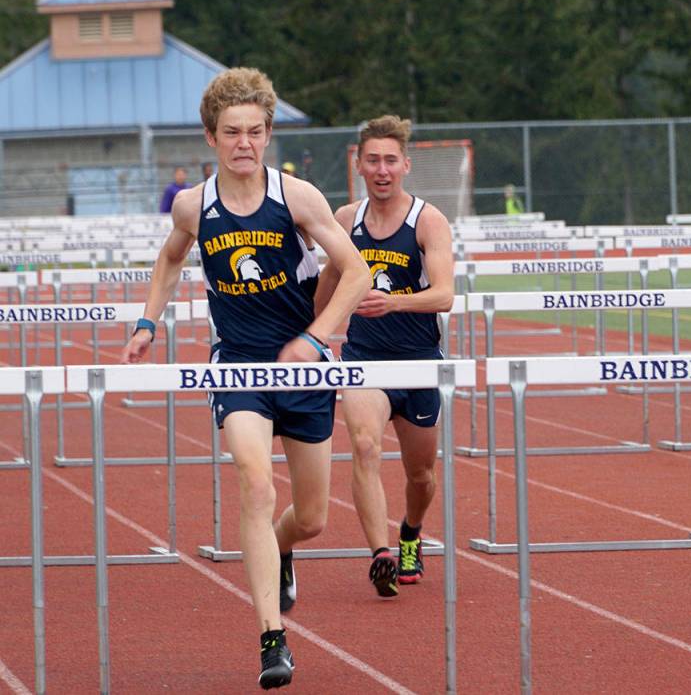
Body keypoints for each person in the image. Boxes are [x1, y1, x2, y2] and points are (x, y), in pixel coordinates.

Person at [121, 67, 370, 689]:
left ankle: (283, 548)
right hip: (238, 366)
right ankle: (271, 638)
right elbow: (170, 259)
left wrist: (316, 339)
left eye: (255, 131)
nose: (244, 143)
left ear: (267, 134)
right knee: (256, 486)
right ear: (211, 137)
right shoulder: (193, 205)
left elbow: (357, 272)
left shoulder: (297, 197)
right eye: (232, 132)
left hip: (304, 369)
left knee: (311, 517)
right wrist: (147, 323)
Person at [315, 114, 454, 598]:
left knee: (421, 474)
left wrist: (393, 302)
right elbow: (328, 283)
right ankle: (380, 554)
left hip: (418, 360)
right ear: (358, 164)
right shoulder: (344, 220)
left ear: (405, 165)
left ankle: (410, 532)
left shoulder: (428, 221)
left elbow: (444, 295)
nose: (381, 169)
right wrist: (311, 335)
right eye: (372, 160)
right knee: (365, 446)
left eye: (390, 160)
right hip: (364, 358)